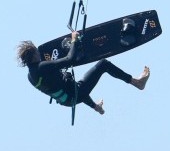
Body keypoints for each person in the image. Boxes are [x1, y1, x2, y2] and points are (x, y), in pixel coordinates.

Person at [17, 31, 150, 115]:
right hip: (74, 94)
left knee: (74, 85)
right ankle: (137, 82)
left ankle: (96, 107)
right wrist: (74, 39)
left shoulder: (31, 76)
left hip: (69, 100)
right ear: (34, 55)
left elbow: (66, 86)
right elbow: (70, 59)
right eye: (37, 51)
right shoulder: (41, 67)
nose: (39, 53)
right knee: (103, 64)